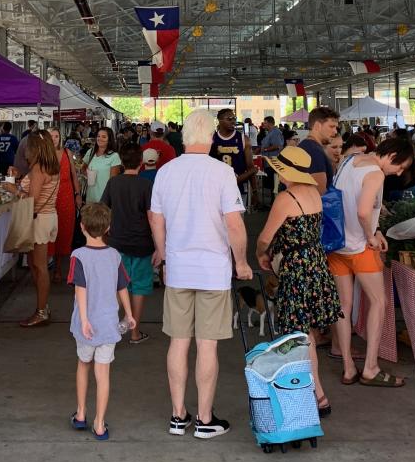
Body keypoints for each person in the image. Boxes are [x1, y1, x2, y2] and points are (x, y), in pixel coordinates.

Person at [149, 108, 252, 438]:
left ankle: (178, 415)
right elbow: (234, 224)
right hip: (213, 271)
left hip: (178, 269)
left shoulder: (166, 172)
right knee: (207, 346)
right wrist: (241, 262)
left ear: (184, 138)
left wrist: (163, 254)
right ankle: (205, 419)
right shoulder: (222, 174)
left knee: (178, 342)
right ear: (209, 137)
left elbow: (155, 218)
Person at [256, 145, 341, 418]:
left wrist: (261, 253)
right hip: (316, 264)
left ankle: (315, 394)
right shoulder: (314, 192)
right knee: (308, 335)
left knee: (298, 336)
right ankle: (315, 392)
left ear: (284, 172)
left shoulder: (286, 197)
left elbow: (266, 237)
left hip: (296, 270)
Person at [328, 137, 414, 389]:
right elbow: (364, 211)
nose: (399, 172)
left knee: (343, 305)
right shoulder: (375, 173)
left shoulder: (349, 160)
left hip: (337, 245)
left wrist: (373, 231)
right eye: (400, 166)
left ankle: (347, 367)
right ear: (392, 155)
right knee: (379, 302)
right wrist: (370, 236)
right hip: (359, 247)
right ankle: (370, 368)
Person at [69, 202, 135, 440]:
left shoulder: (78, 256)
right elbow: (122, 287)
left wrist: (85, 320)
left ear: (82, 227)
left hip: (86, 327)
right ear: (108, 228)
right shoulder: (114, 255)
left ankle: (80, 413)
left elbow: (80, 289)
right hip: (109, 325)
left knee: (83, 364)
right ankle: (99, 424)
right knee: (103, 373)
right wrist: (129, 314)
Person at [102, 143, 158, 343]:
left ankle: (111, 331)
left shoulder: (113, 183)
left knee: (119, 286)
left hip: (117, 244)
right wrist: (160, 246)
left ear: (122, 161)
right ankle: (134, 332)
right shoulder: (146, 185)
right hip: (142, 244)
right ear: (141, 163)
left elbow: (103, 212)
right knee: (140, 288)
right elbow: (152, 218)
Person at [19, 131, 61, 328]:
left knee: (40, 266)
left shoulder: (38, 169)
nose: (26, 151)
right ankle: (43, 306)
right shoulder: (52, 167)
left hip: (39, 219)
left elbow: (31, 201)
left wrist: (14, 190)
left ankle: (42, 310)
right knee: (36, 265)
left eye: (28, 147)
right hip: (48, 217)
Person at [48, 127, 81, 284]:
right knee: (51, 230)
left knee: (65, 230)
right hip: (50, 195)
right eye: (51, 136)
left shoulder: (67, 153)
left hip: (66, 194)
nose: (54, 138)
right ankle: (52, 264)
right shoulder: (43, 154)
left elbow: (74, 175)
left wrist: (77, 194)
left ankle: (60, 266)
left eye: (56, 136)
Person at [210, 106, 259, 209]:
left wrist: (255, 191)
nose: (233, 121)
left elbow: (250, 166)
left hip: (238, 188)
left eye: (234, 119)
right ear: (219, 120)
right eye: (229, 119)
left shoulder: (243, 139)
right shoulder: (211, 139)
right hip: (217, 189)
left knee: (237, 221)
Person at [297, 106, 341, 195]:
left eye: (336, 127)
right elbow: (319, 192)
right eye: (331, 127)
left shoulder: (306, 146)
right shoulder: (314, 152)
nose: (335, 131)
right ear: (317, 126)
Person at [81, 128, 121, 201]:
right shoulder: (90, 152)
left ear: (109, 139)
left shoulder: (114, 156)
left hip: (104, 198)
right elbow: (83, 168)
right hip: (90, 197)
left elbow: (113, 182)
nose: (100, 138)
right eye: (98, 136)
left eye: (104, 137)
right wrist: (87, 174)